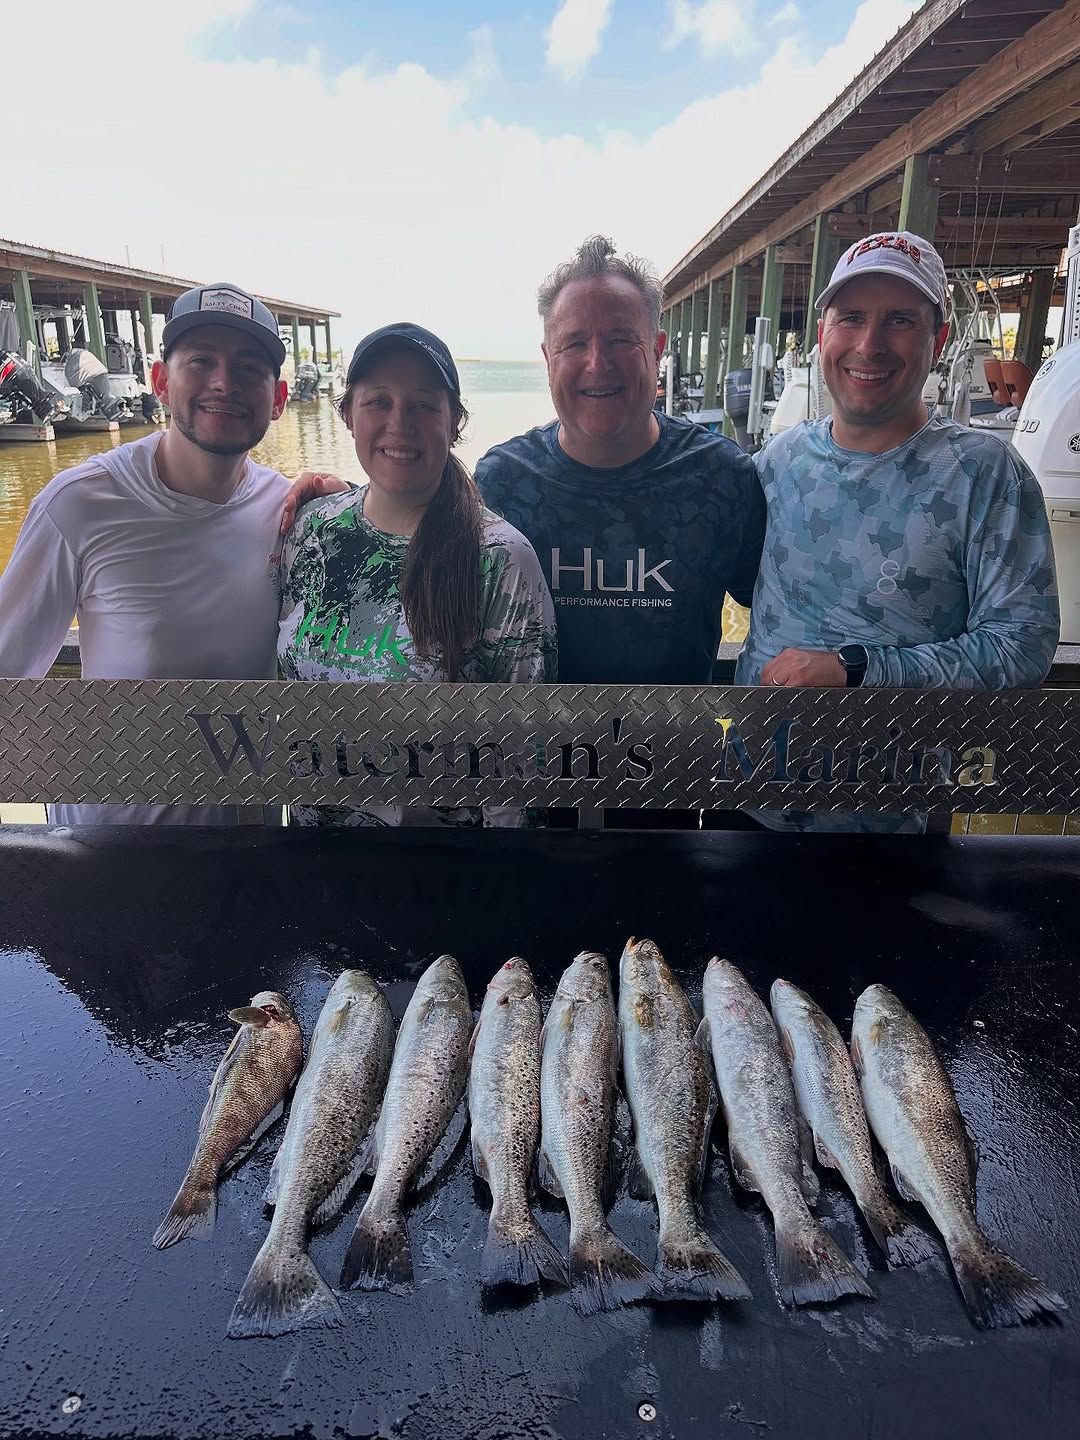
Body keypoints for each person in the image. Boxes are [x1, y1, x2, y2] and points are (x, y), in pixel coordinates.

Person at [735, 231, 1059, 832]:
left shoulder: (985, 474)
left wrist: (856, 668)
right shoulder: (773, 464)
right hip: (754, 802)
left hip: (897, 826)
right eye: (851, 317)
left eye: (900, 321)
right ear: (821, 333)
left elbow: (1022, 647)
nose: (870, 344)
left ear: (937, 341)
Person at [0, 281, 293, 824]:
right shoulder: (79, 503)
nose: (224, 383)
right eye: (201, 361)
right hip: (105, 853)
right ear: (160, 380)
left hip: (249, 854)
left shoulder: (294, 512)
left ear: (277, 400)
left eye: (250, 368)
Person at [278, 322, 556, 828]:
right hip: (311, 867)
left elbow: (525, 759)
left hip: (441, 881)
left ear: (455, 423)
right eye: (378, 401)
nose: (399, 423)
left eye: (424, 404)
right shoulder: (311, 530)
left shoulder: (501, 558)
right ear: (348, 415)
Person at [473, 235, 765, 687]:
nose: (597, 362)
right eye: (573, 344)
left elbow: (784, 611)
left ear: (657, 348)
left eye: (620, 339)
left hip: (680, 749)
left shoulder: (723, 476)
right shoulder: (502, 481)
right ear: (548, 358)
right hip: (536, 750)